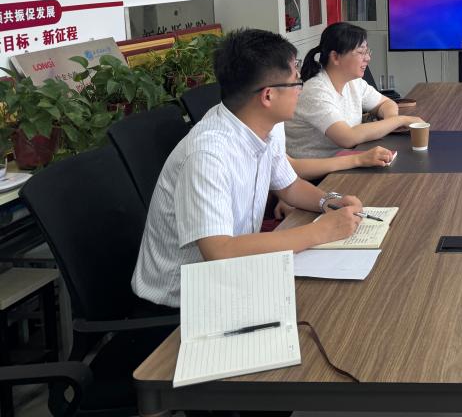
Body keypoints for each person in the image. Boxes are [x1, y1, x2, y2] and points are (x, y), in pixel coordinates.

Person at [132, 28, 365, 308]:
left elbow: (289, 186)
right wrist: (321, 232)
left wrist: (329, 201)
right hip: (183, 302)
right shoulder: (208, 154)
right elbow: (219, 252)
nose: (300, 89)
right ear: (268, 96)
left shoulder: (266, 125)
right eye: (295, 82)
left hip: (234, 274)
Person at [285, 22, 424, 157]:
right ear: (335, 57)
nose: (368, 58)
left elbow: (386, 103)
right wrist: (400, 121)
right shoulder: (315, 91)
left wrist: (391, 120)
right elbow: (347, 137)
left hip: (348, 160)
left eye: (367, 51)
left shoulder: (353, 82)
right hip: (322, 170)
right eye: (361, 52)